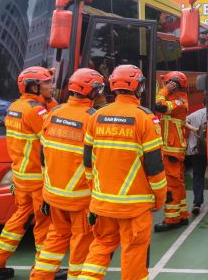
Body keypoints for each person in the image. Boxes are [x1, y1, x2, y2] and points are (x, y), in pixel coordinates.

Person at [78, 65, 167, 280]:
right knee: (133, 253)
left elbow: (88, 163)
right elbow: (155, 168)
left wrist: (95, 194)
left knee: (100, 246)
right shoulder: (145, 119)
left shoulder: (97, 116)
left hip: (102, 203)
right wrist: (159, 199)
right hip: (133, 207)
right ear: (138, 87)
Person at [0, 67, 55, 279]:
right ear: (33, 86)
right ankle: (42, 271)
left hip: (21, 176)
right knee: (44, 223)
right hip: (38, 178)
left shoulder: (15, 107)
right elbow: (52, 134)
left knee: (18, 219)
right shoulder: (36, 111)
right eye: (47, 83)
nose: (51, 86)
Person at [30, 68, 104, 280]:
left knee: (55, 238)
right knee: (81, 244)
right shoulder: (93, 118)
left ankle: (39, 277)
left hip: (53, 194)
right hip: (80, 197)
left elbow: (43, 154)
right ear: (92, 91)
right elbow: (95, 161)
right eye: (98, 90)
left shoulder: (54, 112)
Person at [153, 71, 191, 232]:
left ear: (173, 85)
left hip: (171, 151)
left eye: (168, 83)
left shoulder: (177, 101)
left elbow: (159, 105)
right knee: (179, 184)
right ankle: (182, 215)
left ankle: (172, 219)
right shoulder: (179, 100)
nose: (165, 86)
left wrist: (164, 90)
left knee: (171, 185)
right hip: (173, 150)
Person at [185, 104, 207, 215]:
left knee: (198, 175)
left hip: (196, 150)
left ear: (203, 103)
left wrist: (193, 129)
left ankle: (197, 203)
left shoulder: (196, 114)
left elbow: (183, 121)